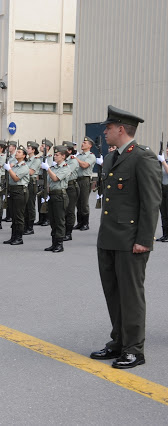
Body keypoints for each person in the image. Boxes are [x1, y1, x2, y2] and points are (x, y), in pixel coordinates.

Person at [90, 105, 161, 369]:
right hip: (108, 237)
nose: (105, 132)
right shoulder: (110, 158)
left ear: (121, 129)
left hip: (132, 240)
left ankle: (134, 349)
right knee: (113, 292)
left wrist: (145, 239)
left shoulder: (142, 157)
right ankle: (118, 341)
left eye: (108, 128)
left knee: (131, 295)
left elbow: (151, 202)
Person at [40, 145, 71, 252]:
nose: (55, 157)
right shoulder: (54, 168)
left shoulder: (66, 167)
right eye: (54, 155)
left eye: (57, 155)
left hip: (60, 196)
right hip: (52, 195)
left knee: (59, 220)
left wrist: (47, 168)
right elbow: (48, 182)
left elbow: (55, 178)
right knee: (53, 220)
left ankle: (59, 244)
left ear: (63, 156)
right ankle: (54, 243)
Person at [2, 145, 29, 245]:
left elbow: (16, 178)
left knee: (19, 216)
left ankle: (19, 238)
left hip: (20, 191)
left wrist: (9, 169)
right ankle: (13, 237)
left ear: (24, 156)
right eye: (16, 152)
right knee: (13, 215)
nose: (16, 153)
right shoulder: (15, 166)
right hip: (12, 191)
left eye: (19, 152)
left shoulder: (24, 166)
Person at [74, 137, 97, 231]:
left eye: (85, 143)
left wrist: (76, 159)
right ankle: (79, 222)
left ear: (90, 145)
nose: (82, 144)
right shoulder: (79, 155)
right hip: (77, 179)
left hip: (85, 180)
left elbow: (84, 165)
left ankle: (85, 223)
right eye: (82, 142)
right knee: (77, 202)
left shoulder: (91, 156)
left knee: (84, 202)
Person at [23, 141, 41, 235]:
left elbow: (30, 172)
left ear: (33, 150)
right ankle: (25, 225)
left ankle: (30, 227)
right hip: (25, 182)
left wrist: (21, 169)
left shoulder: (36, 160)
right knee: (25, 205)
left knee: (30, 205)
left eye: (29, 148)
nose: (27, 149)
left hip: (31, 182)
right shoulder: (27, 160)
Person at [62, 141, 79, 241]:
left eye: (64, 151)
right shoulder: (62, 161)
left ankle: (68, 233)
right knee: (63, 210)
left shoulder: (72, 161)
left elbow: (67, 173)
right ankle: (62, 231)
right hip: (63, 186)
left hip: (71, 186)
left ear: (69, 151)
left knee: (70, 210)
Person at [158, 145, 168, 242]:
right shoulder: (164, 161)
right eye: (167, 148)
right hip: (162, 188)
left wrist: (163, 162)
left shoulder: (164, 161)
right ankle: (165, 234)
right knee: (163, 213)